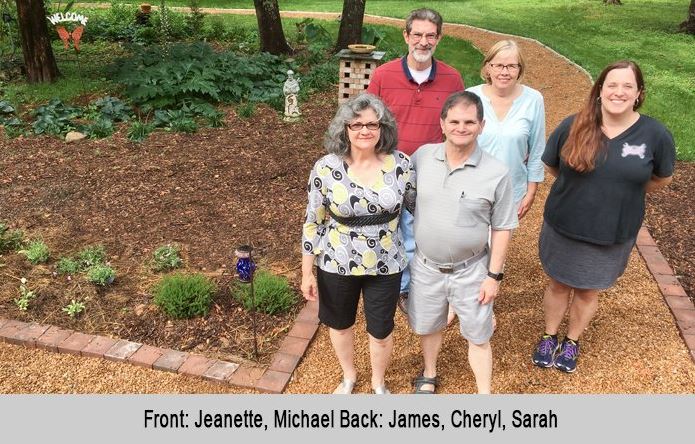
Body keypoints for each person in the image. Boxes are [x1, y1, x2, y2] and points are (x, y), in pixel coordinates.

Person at [532, 60, 675, 373]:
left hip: (612, 230)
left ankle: (571, 340)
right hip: (564, 225)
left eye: (627, 86)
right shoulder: (573, 125)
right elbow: (553, 165)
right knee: (557, 284)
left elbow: (660, 179)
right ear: (599, 90)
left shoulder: (655, 134)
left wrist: (620, 192)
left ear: (639, 93)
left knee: (587, 290)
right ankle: (549, 334)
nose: (618, 92)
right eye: (612, 85)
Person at [300, 93, 415, 394]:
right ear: (345, 129)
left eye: (372, 124)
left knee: (381, 329)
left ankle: (378, 382)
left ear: (383, 128)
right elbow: (313, 221)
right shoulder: (326, 168)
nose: (365, 131)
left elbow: (420, 211)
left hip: (386, 261)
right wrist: (306, 272)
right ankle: (349, 375)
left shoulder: (401, 165)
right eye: (357, 125)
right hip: (337, 260)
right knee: (340, 324)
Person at [406, 91, 518, 394]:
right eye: (454, 121)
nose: (461, 127)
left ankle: (484, 394)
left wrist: (494, 276)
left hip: (472, 270)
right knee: (429, 326)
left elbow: (503, 227)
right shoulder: (422, 158)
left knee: (479, 334)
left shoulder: (496, 172)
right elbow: (407, 201)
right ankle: (429, 373)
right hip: (426, 265)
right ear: (442, 123)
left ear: (481, 125)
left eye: (469, 122)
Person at [366, 7, 464, 313]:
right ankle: (402, 287)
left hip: (434, 170)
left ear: (439, 38)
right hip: (390, 169)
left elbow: (459, 124)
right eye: (417, 35)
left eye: (430, 35)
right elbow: (369, 120)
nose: (424, 42)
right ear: (406, 36)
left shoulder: (452, 78)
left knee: (430, 230)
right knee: (395, 229)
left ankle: (431, 285)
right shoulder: (383, 76)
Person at [467, 40, 545, 219]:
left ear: (520, 69)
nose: (504, 72)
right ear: (488, 68)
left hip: (512, 191)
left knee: (499, 246)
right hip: (472, 188)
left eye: (511, 66)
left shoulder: (533, 100)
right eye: (498, 65)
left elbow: (537, 149)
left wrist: (531, 191)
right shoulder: (471, 96)